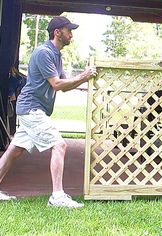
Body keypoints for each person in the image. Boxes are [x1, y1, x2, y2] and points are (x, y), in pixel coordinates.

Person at [0, 16, 97, 208]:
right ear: (57, 32)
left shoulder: (56, 55)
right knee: (59, 145)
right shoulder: (44, 53)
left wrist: (83, 77)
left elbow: (65, 86)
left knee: (14, 151)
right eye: (69, 31)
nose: (71, 35)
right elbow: (57, 84)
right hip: (31, 108)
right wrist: (84, 76)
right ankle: (57, 196)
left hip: (33, 108)